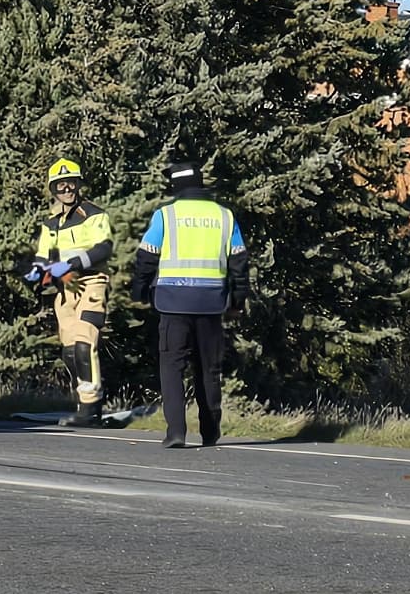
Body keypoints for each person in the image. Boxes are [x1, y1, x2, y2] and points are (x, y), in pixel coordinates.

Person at [131, 160, 247, 450]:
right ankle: (210, 431)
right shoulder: (224, 216)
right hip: (211, 302)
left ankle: (176, 432)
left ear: (176, 186)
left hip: (173, 301)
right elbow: (239, 261)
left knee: (172, 366)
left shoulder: (166, 215)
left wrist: (139, 290)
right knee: (208, 369)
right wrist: (238, 299)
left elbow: (147, 255)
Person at [26, 157, 120, 427]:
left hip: (92, 283)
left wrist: (73, 263)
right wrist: (36, 273)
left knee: (84, 344)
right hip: (65, 291)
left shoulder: (94, 214)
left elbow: (104, 248)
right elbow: (43, 258)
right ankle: (83, 402)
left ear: (79, 185)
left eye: (71, 184)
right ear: (53, 189)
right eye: (61, 185)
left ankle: (91, 407)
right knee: (69, 352)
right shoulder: (51, 224)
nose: (67, 190)